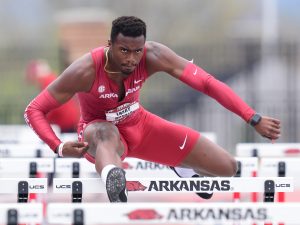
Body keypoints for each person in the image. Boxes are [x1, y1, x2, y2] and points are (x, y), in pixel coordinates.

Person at [24, 16, 281, 202]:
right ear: (110, 45)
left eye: (137, 51)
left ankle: (181, 167)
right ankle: (114, 179)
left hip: (139, 124)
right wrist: (58, 146)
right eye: (124, 50)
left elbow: (206, 82)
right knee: (105, 132)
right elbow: (33, 110)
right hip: (100, 135)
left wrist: (252, 116)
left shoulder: (153, 55)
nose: (131, 59)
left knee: (227, 168)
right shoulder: (84, 70)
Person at [25, 59, 80, 133]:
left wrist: (42, 120)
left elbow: (51, 106)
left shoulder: (48, 82)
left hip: (66, 122)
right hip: (69, 120)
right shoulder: (51, 79)